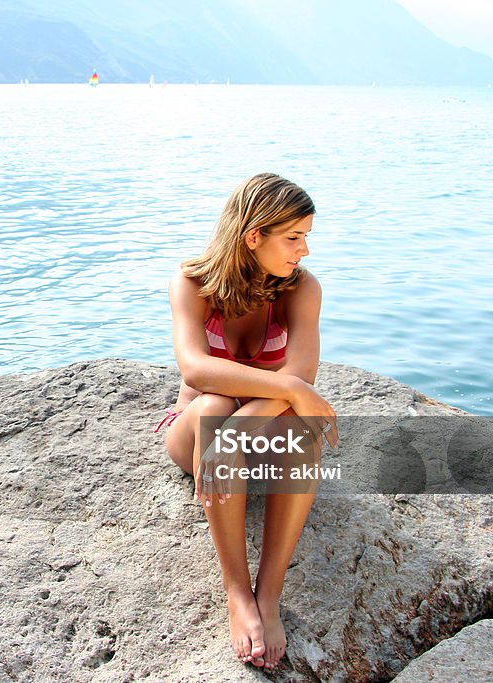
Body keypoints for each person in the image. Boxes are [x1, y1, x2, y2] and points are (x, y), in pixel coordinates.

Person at [158, 173, 338, 670]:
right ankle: (238, 593)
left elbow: (300, 373)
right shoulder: (192, 282)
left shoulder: (300, 290)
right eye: (294, 237)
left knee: (301, 435)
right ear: (253, 235)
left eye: (306, 236)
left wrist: (266, 408)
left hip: (257, 435)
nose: (304, 251)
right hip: (198, 429)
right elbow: (195, 368)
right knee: (215, 408)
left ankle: (270, 593)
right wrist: (287, 388)